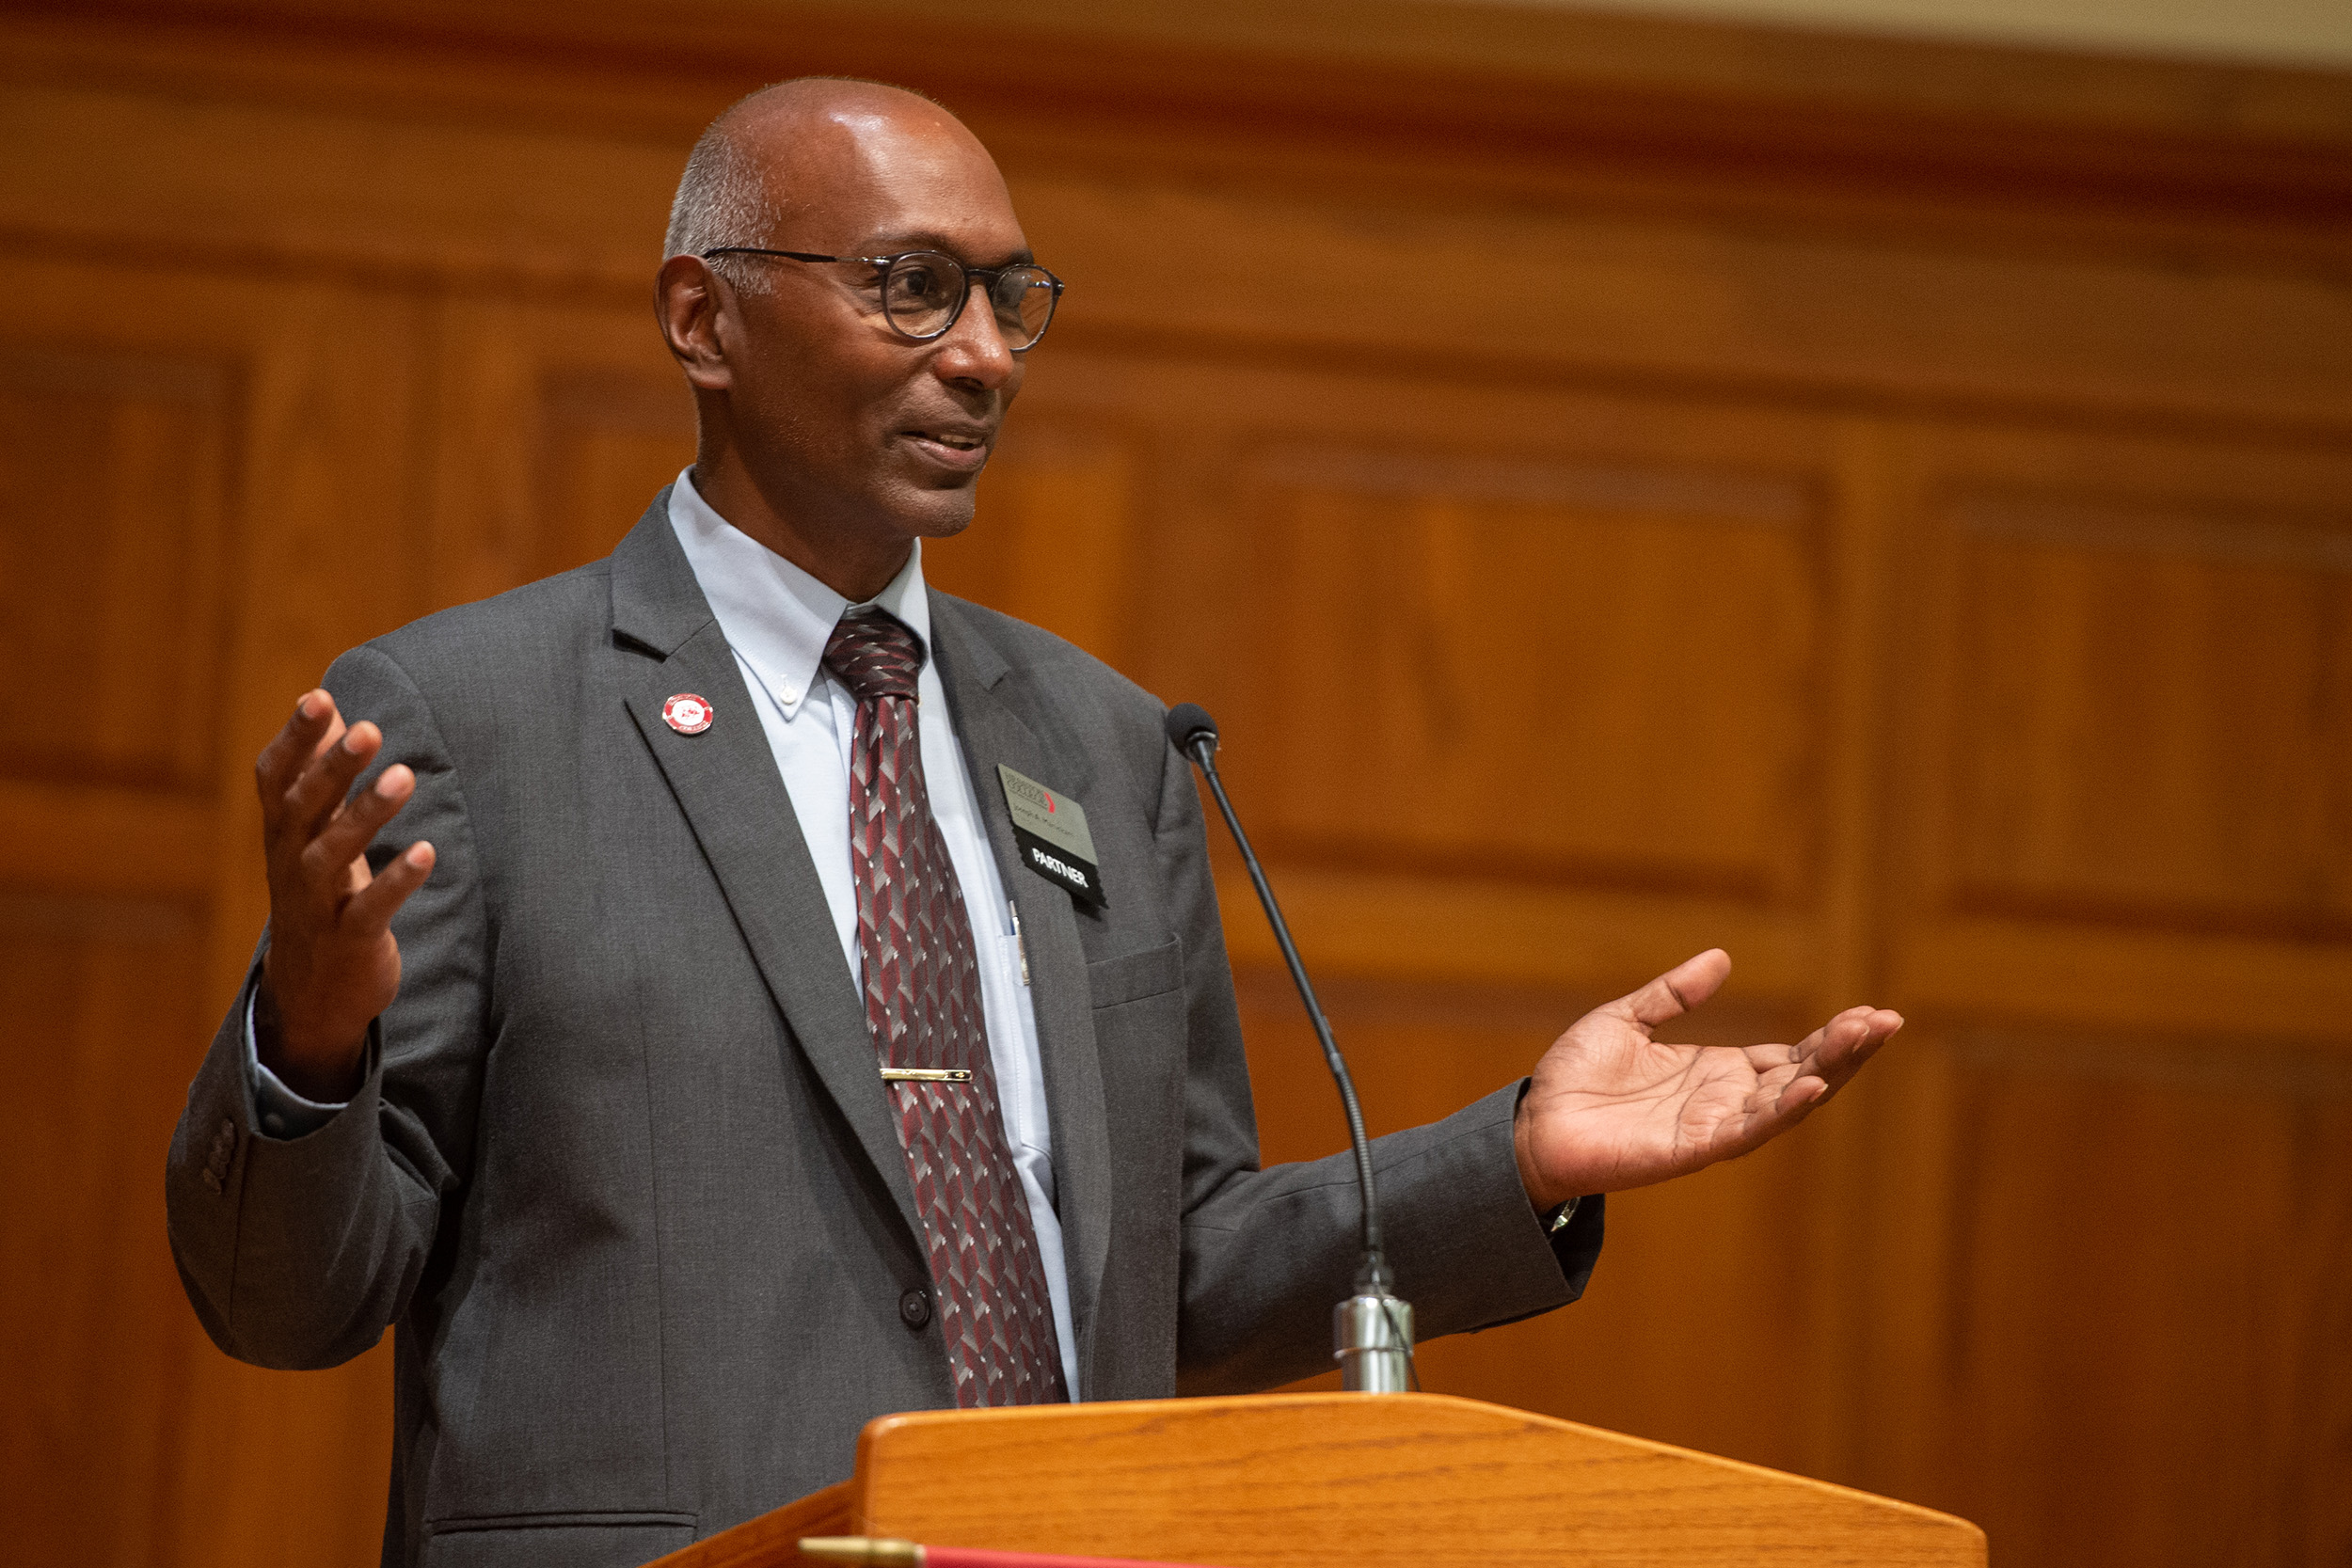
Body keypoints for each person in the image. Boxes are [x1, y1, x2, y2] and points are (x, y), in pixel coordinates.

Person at [166, 78, 1902, 1568]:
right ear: (704, 319)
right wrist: (312, 1041)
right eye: (912, 289)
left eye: (1011, 297)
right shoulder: (476, 718)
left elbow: (1181, 1274)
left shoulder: (1106, 742)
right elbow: (285, 1303)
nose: (985, 355)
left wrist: (1511, 1157)